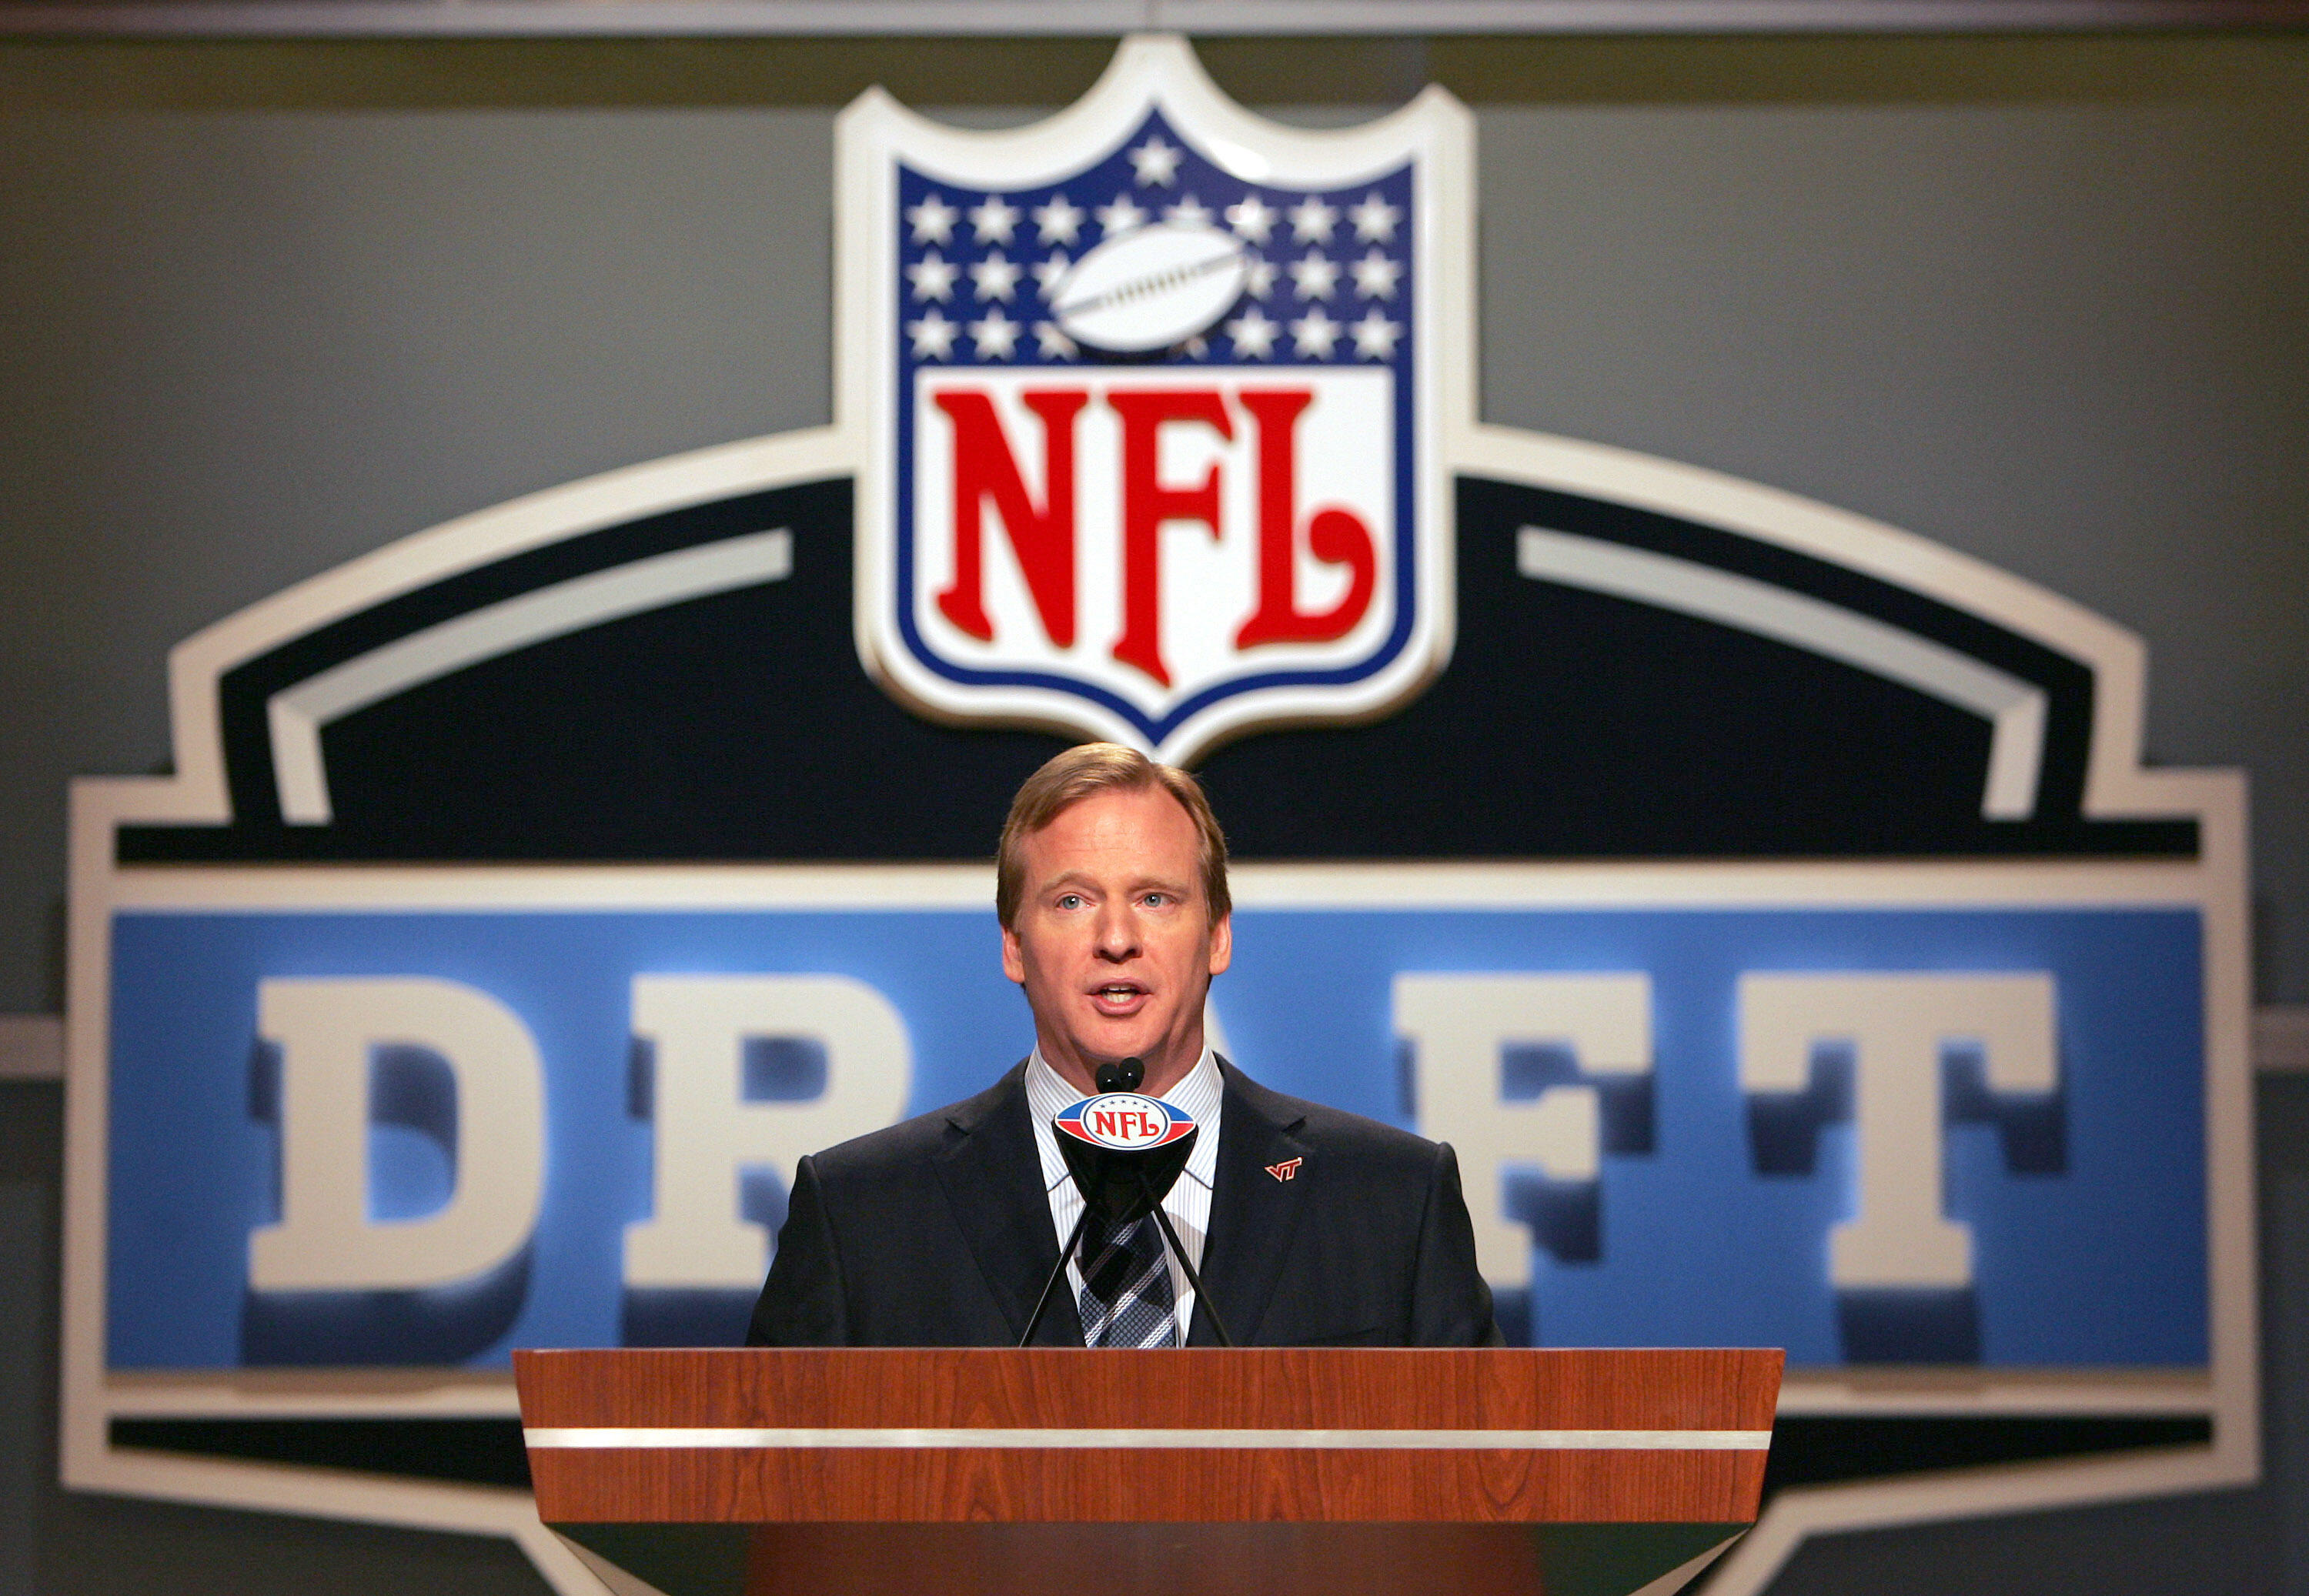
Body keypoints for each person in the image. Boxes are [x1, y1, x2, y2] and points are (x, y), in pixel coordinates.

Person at [746, 742, 1499, 1347]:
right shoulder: (862, 1214)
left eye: (1154, 898)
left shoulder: (1393, 1201)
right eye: (1072, 901)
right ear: (1013, 946)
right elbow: (769, 1514)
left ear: (1218, 936)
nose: (1116, 939)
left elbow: (1481, 1504)